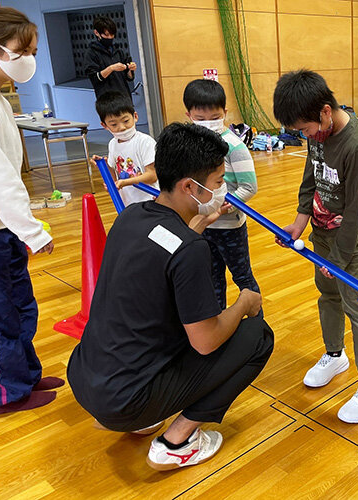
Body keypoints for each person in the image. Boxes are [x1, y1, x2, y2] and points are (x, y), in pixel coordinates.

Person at [67, 123, 274, 471]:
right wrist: (243, 304)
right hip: (126, 400)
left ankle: (145, 417)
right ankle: (178, 440)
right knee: (258, 337)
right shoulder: (190, 250)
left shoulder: (131, 216)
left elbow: (166, 247)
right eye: (219, 182)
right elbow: (206, 341)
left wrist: (196, 227)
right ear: (189, 187)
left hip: (86, 378)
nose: (223, 189)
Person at [273, 69, 358, 424]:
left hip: (350, 241)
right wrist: (299, 221)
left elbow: (356, 211)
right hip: (322, 234)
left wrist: (338, 259)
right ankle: (335, 355)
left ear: (324, 111)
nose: (305, 136)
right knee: (328, 296)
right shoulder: (317, 134)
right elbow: (312, 176)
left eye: (304, 129)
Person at [0, 7, 62, 415]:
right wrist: (31, 229)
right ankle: (7, 393)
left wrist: (21, 226)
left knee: (18, 304)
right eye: (22, 49)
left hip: (0, 226)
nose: (28, 58)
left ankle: (25, 376)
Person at [183, 79, 260, 306]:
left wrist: (226, 206)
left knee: (242, 277)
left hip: (229, 227)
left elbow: (249, 187)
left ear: (225, 113)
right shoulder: (191, 144)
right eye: (200, 119)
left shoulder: (234, 147)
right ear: (188, 116)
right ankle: (217, 323)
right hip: (203, 225)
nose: (209, 123)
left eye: (215, 118)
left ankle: (258, 322)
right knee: (212, 279)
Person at [91, 91, 158, 206]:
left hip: (149, 201)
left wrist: (126, 182)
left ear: (135, 116)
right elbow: (114, 177)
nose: (121, 128)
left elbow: (152, 176)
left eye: (126, 121)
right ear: (104, 126)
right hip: (127, 202)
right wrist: (104, 166)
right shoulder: (113, 144)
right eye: (113, 124)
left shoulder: (145, 142)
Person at [83, 15, 136, 100]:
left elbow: (129, 78)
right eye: (106, 35)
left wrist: (130, 69)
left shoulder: (118, 51)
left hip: (124, 97)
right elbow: (95, 79)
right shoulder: (91, 53)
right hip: (107, 101)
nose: (110, 38)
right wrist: (111, 68)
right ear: (96, 33)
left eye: (112, 35)